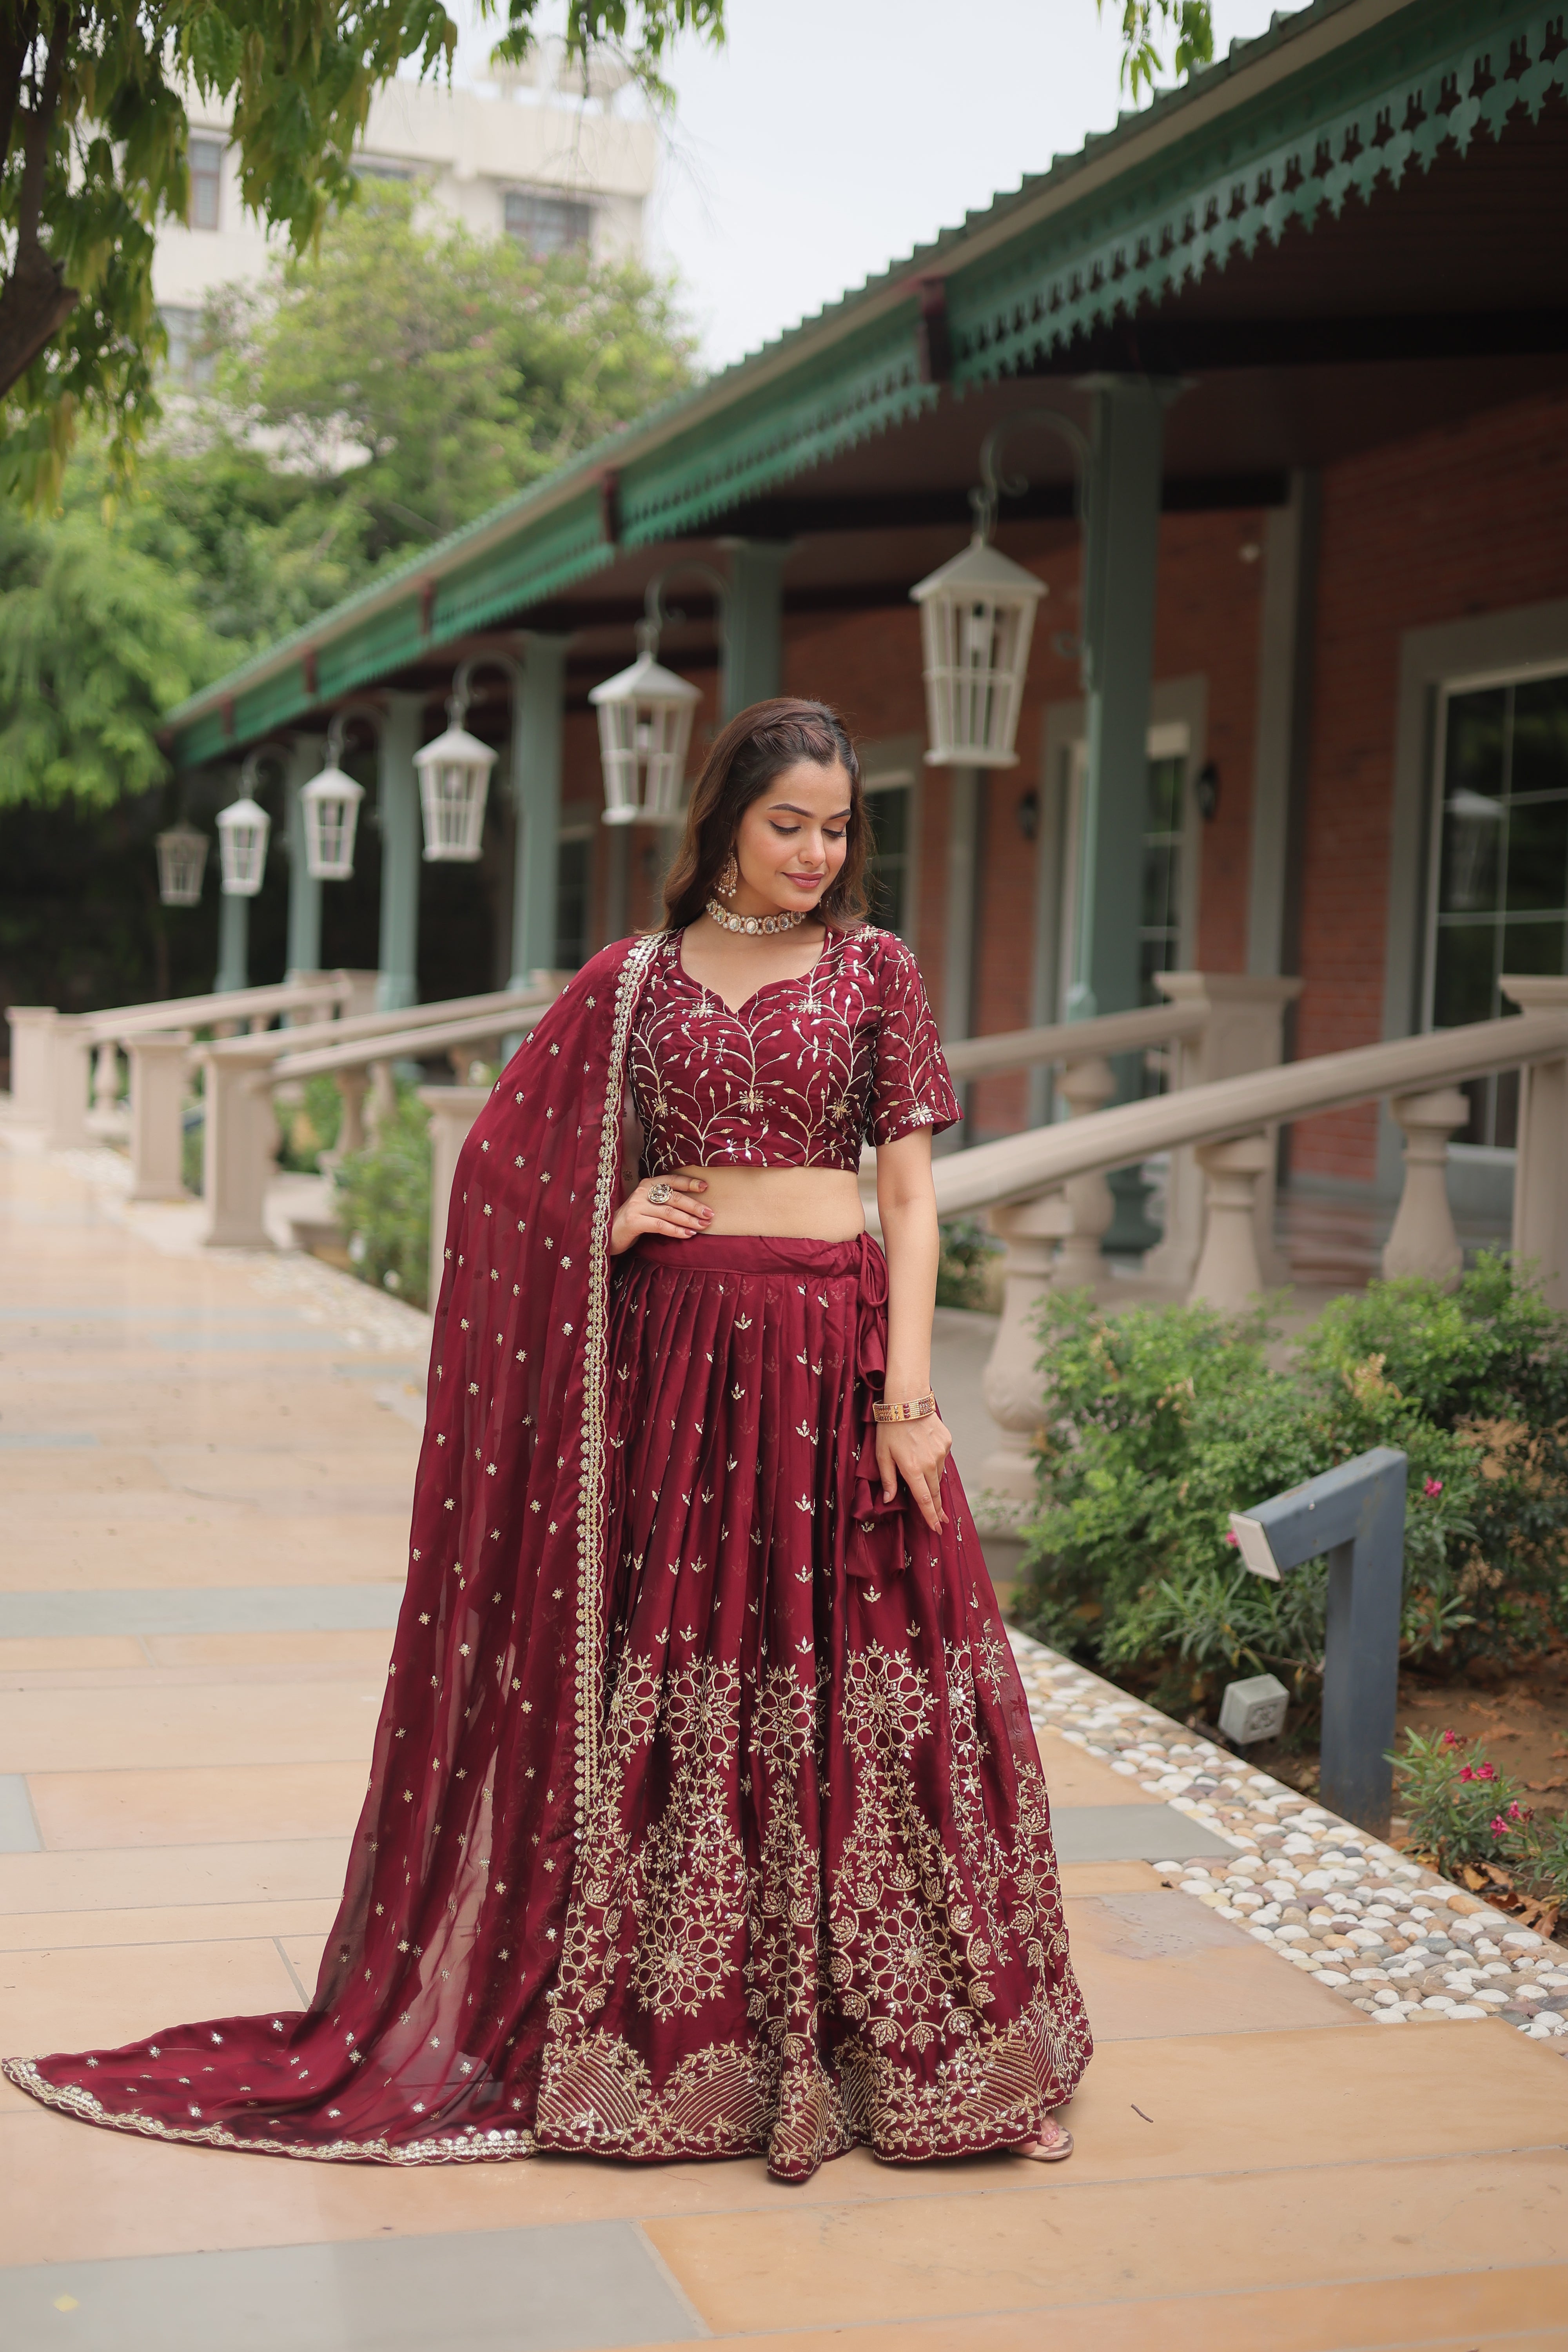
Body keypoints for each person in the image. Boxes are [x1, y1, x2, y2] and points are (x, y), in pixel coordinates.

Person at [5, 698, 1091, 2180]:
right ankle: (681, 2044)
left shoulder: (878, 972)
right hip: (690, 1375)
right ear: (724, 820)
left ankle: (920, 2058)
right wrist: (613, 1217)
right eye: (790, 824)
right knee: (689, 1677)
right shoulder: (633, 983)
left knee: (876, 1688)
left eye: (839, 828)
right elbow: (505, 1163)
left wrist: (909, 1397)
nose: (817, 853)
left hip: (839, 1361)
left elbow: (908, 1201)